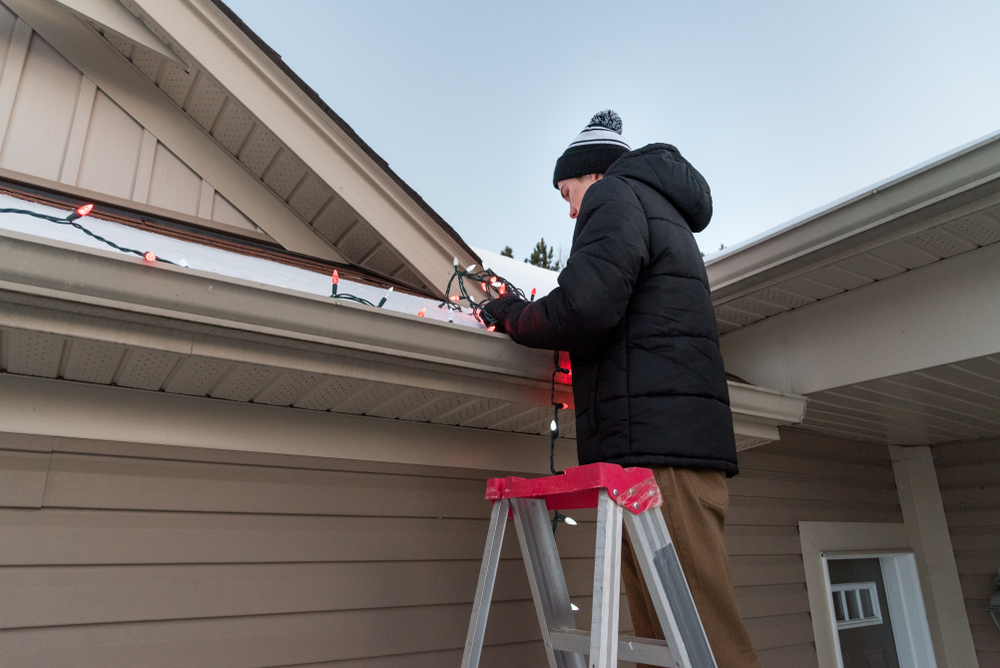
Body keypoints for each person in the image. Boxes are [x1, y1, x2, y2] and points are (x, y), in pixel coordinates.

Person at [481, 110, 759, 668]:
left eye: (567, 191)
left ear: (592, 175)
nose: (569, 209)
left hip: (659, 458)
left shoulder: (616, 195)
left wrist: (511, 314)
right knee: (671, 639)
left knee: (702, 637)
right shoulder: (659, 211)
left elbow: (586, 304)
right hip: (660, 452)